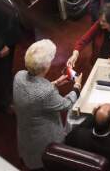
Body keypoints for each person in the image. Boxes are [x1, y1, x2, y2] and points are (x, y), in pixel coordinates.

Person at [14, 39, 83, 171]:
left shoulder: (19, 76)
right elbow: (66, 104)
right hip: (43, 142)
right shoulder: (45, 92)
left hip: (25, 134)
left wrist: (56, 82)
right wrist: (77, 86)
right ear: (45, 67)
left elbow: (34, 93)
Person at [67, 2, 110, 67]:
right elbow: (84, 40)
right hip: (99, 61)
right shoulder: (99, 25)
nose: (100, 22)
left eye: (104, 21)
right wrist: (75, 54)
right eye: (100, 19)